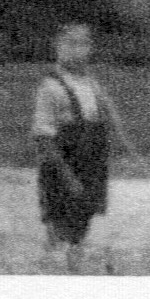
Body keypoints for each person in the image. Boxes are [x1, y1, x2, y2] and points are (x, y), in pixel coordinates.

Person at [32, 19, 115, 256]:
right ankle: (54, 260)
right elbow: (43, 137)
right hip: (63, 167)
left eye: (83, 44)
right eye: (70, 44)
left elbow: (103, 124)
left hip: (90, 167)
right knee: (60, 223)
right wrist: (68, 178)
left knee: (80, 226)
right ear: (58, 47)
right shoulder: (51, 87)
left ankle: (74, 261)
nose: (77, 50)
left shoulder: (92, 85)